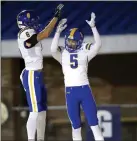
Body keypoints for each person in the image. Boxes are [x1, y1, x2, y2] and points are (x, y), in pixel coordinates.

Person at [50, 13, 104, 141]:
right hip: (72, 92)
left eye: (73, 41)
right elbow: (52, 50)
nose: (71, 43)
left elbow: (97, 45)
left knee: (94, 124)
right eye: (69, 40)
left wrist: (93, 27)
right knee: (76, 126)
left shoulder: (83, 52)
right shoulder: (64, 53)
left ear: (79, 42)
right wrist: (57, 32)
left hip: (83, 90)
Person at [18, 4, 64, 141]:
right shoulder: (25, 33)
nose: (35, 23)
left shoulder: (29, 32)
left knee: (42, 110)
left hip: (37, 74)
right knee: (35, 111)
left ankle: (41, 138)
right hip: (31, 74)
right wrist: (55, 18)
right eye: (32, 20)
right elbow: (44, 34)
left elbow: (42, 32)